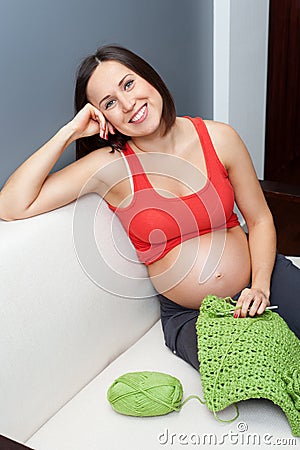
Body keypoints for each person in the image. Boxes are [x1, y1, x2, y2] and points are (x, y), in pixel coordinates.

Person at [0, 45, 299, 370]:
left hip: (260, 275)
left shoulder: (220, 138)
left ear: (149, 78)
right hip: (190, 314)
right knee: (262, 367)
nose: (128, 104)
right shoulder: (109, 167)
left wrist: (260, 287)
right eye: (109, 103)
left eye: (128, 84)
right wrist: (69, 132)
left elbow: (259, 220)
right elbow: (12, 205)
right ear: (102, 116)